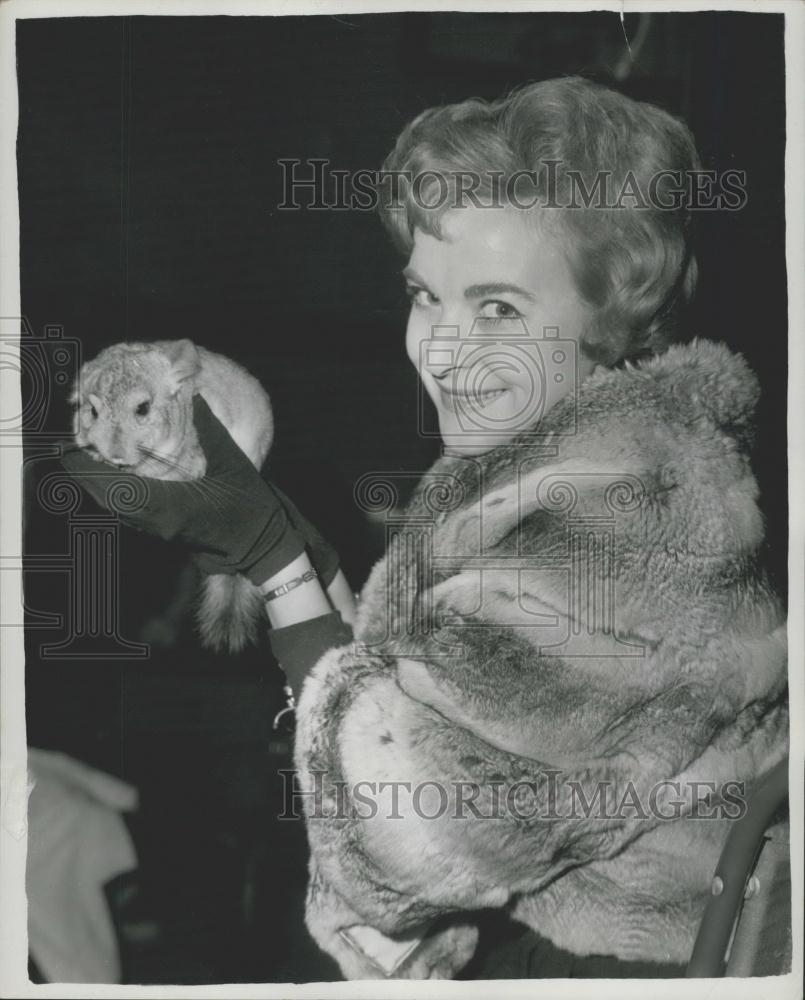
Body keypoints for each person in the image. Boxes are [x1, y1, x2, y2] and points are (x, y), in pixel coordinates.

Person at [62, 77, 788, 979]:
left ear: (607, 317)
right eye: (423, 294)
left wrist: (282, 570)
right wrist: (295, 545)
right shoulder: (556, 454)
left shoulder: (624, 512)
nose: (438, 349)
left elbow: (397, 846)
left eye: (497, 309)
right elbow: (428, 704)